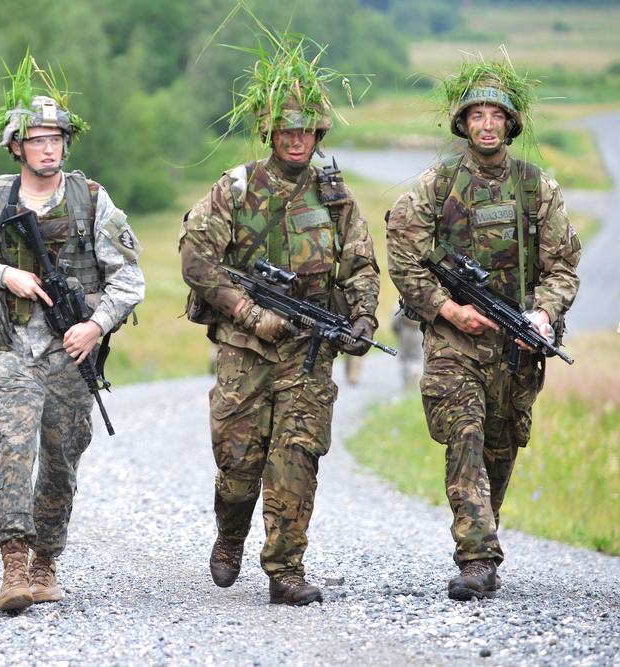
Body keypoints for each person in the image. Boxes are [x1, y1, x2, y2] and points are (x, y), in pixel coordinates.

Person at [179, 33, 382, 605]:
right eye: (287, 131)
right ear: (271, 133)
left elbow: (362, 264)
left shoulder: (335, 196)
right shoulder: (237, 188)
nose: (297, 141)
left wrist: (363, 318)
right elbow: (196, 259)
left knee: (298, 454)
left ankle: (285, 568)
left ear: (319, 134)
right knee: (239, 463)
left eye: (306, 131)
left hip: (309, 352)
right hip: (247, 351)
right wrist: (249, 313)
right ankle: (230, 533)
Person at [0, 56, 145, 613]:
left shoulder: (91, 200)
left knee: (62, 459)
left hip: (70, 352)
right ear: (16, 146)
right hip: (12, 349)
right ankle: (13, 561)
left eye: (56, 139)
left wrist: (94, 325)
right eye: (36, 140)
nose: (48, 149)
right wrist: (2, 273)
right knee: (16, 443)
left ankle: (46, 560)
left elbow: (131, 278)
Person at [385, 57, 581, 601]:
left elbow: (563, 267)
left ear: (511, 125)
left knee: (501, 447)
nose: (488, 124)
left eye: (498, 115)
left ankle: (483, 535)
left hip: (517, 342)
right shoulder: (437, 185)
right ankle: (476, 559)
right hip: (455, 340)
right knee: (465, 434)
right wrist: (447, 310)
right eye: (478, 115)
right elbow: (403, 255)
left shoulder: (536, 187)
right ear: (463, 123)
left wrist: (541, 313)